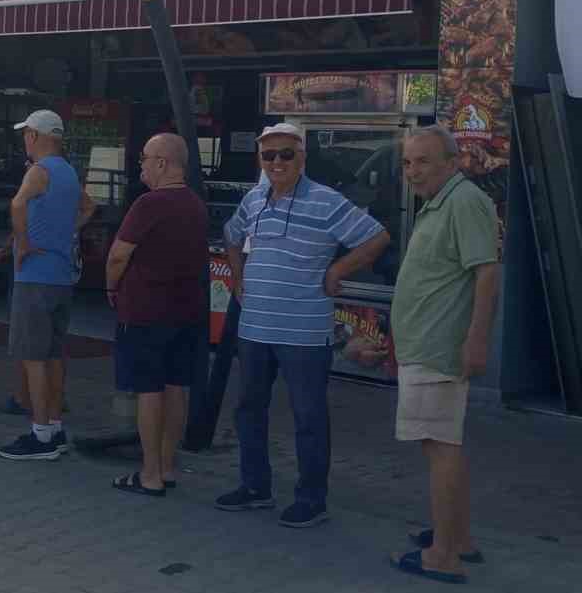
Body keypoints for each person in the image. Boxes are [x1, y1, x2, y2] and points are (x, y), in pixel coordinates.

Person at [215, 122, 391, 528]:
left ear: (302, 157)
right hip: (255, 327)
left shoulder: (327, 201)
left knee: (309, 416)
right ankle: (255, 487)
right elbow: (231, 235)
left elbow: (377, 238)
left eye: (285, 154)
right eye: (268, 155)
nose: (276, 162)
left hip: (304, 332)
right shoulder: (255, 198)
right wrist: (237, 275)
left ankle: (312, 498)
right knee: (248, 409)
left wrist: (339, 270)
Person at [382, 126, 499, 584]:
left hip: (438, 350)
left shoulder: (464, 201)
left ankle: (443, 555)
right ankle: (459, 538)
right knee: (444, 445)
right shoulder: (442, 202)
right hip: (424, 347)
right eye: (408, 162)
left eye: (423, 161)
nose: (413, 171)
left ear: (452, 162)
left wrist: (477, 339)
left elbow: (487, 274)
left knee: (440, 449)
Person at [104, 133, 208, 493]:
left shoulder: (149, 204)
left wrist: (110, 286)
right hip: (187, 312)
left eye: (145, 158)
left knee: (148, 390)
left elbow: (119, 255)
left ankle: (148, 475)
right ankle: (167, 467)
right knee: (176, 386)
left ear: (163, 163)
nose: (141, 165)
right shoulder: (195, 204)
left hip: (146, 311)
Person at [0, 110, 82, 460]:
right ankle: (55, 427)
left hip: (34, 276)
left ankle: (41, 433)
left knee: (32, 356)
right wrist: (62, 234)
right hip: (61, 276)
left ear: (34, 136)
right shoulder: (70, 173)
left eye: (25, 134)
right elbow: (87, 208)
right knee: (54, 354)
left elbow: (17, 203)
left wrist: (23, 243)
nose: (24, 141)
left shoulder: (38, 171)